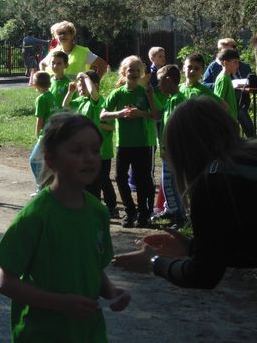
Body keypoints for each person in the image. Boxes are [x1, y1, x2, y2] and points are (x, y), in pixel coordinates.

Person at [0, 113, 130, 342]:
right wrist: (59, 303)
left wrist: (111, 291)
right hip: (41, 334)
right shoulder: (36, 216)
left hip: (89, 333)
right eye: (77, 151)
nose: (89, 158)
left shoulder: (98, 212)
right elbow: (5, 283)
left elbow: (92, 267)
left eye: (95, 150)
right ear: (51, 159)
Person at [113, 96, 257, 289]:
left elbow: (202, 275)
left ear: (182, 148)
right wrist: (193, 248)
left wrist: (154, 262)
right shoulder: (246, 160)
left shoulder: (212, 182)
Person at [100, 56, 158, 228]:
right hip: (123, 144)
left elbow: (156, 115)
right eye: (130, 70)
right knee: (120, 177)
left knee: (142, 179)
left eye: (136, 70)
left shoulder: (145, 92)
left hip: (142, 143)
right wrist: (120, 114)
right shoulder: (117, 93)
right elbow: (103, 115)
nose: (133, 73)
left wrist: (140, 113)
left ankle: (143, 213)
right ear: (123, 72)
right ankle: (130, 210)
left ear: (142, 73)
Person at [63, 70, 117, 217]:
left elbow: (94, 94)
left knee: (102, 180)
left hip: (102, 151)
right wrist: (71, 91)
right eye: (79, 86)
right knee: (94, 180)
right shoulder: (80, 101)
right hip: (87, 151)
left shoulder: (98, 101)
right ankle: (97, 207)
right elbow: (66, 106)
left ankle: (110, 207)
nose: (81, 88)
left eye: (83, 86)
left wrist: (85, 77)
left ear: (95, 85)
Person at [151, 64, 187, 227]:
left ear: (168, 80)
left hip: (172, 150)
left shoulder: (177, 100)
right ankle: (174, 210)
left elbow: (175, 126)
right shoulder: (170, 99)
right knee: (169, 182)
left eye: (159, 81)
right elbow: (158, 115)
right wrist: (150, 96)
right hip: (169, 149)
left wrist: (168, 148)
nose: (158, 85)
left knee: (170, 182)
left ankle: (177, 214)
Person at [202, 38, 254, 136]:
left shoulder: (243, 66)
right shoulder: (220, 75)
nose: (237, 65)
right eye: (235, 62)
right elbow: (218, 99)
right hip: (227, 114)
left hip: (239, 105)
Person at [40, 20, 108, 80]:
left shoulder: (83, 52)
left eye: (65, 33)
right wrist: (44, 81)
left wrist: (94, 83)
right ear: (56, 37)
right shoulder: (53, 52)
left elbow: (103, 65)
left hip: (77, 92)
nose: (62, 36)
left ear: (72, 35)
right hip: (55, 92)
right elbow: (42, 64)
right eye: (59, 33)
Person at [29, 71, 58, 187]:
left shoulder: (41, 99)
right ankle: (49, 185)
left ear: (35, 85)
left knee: (34, 160)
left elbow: (40, 119)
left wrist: (36, 134)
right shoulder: (52, 96)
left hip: (45, 135)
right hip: (54, 134)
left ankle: (41, 185)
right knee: (47, 162)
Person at [214, 47, 240, 123]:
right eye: (235, 62)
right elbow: (218, 101)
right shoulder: (223, 78)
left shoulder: (227, 77)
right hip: (225, 121)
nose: (238, 65)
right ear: (225, 63)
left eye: (238, 62)